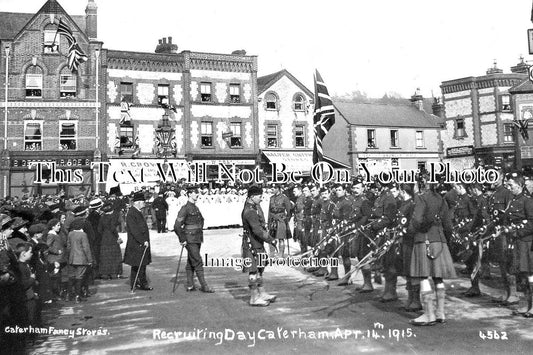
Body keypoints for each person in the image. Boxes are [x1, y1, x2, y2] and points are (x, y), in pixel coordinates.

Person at [408, 176, 456, 326]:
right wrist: (444, 239)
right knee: (438, 277)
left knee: (423, 276)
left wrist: (410, 231)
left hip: (424, 239)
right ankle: (440, 312)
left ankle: (429, 314)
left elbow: (417, 220)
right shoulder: (441, 199)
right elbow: (448, 225)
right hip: (440, 240)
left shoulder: (421, 198)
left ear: (421, 184)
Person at [174, 187, 214, 293]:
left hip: (197, 238)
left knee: (191, 261)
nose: (198, 194)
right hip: (190, 239)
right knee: (197, 260)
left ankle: (190, 285)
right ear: (190, 194)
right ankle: (204, 286)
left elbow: (201, 220)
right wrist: (182, 239)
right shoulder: (185, 208)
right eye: (196, 193)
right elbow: (177, 226)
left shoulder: (195, 207)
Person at [241, 186, 276, 306]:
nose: (261, 199)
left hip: (257, 243)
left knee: (260, 269)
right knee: (253, 271)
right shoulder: (250, 211)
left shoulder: (253, 207)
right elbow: (257, 230)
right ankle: (254, 298)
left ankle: (262, 293)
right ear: (252, 196)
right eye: (260, 196)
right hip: (252, 244)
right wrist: (271, 240)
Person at [124, 191, 153, 291]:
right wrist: (142, 241)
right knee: (140, 264)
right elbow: (134, 230)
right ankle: (141, 284)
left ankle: (136, 283)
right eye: (143, 202)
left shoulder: (136, 212)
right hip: (136, 244)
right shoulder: (132, 213)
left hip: (139, 243)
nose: (144, 204)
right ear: (138, 202)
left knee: (138, 265)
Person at [67, 218, 93, 303]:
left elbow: (68, 246)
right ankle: (77, 296)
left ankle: (69, 294)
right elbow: (86, 248)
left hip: (72, 258)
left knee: (71, 276)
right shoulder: (83, 235)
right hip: (81, 259)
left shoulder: (70, 234)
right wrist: (90, 260)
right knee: (79, 277)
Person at [97, 202, 123, 280]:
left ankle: (105, 273)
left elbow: (99, 229)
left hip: (104, 239)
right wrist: (117, 236)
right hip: (112, 238)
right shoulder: (111, 218)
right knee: (114, 256)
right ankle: (114, 273)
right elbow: (113, 228)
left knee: (105, 256)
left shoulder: (102, 218)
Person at [268, 185, 292, 257]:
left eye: (274, 188)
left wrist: (286, 219)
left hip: (281, 220)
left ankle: (280, 254)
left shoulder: (284, 198)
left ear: (278, 189)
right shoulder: (271, 198)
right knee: (271, 237)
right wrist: (268, 221)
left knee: (281, 238)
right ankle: (272, 254)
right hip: (272, 219)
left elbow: (289, 211)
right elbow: (269, 211)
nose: (272, 190)